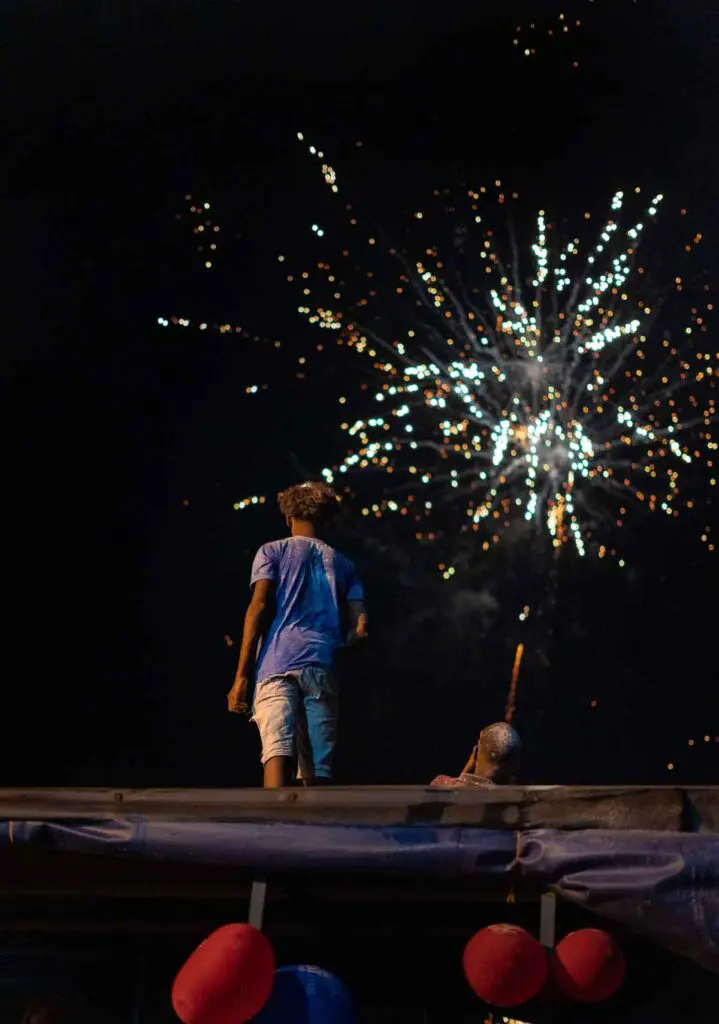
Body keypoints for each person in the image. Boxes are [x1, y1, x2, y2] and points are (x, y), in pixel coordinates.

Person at [227, 481, 368, 787]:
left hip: (276, 664)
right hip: (321, 665)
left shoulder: (272, 552)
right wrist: (338, 647)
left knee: (278, 753)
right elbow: (360, 629)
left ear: (288, 517)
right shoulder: (345, 566)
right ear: (327, 519)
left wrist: (241, 675)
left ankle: (273, 828)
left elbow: (258, 608)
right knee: (316, 771)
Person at [430, 722, 521, 788]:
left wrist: (464, 775)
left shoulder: (442, 786)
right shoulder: (520, 805)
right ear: (516, 765)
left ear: (475, 751)